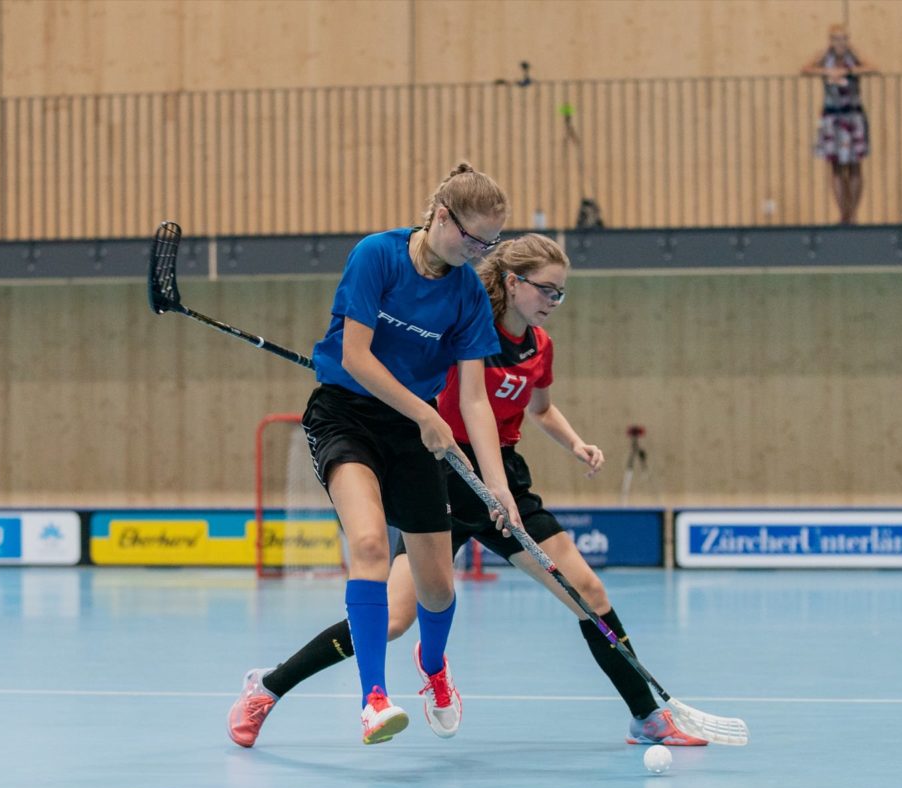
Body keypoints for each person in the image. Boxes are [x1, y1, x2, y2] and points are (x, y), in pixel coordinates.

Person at [228, 234, 709, 749]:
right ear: (512, 282)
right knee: (391, 620)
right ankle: (270, 686)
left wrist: (575, 444)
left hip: (504, 483)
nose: (553, 302)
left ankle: (646, 717)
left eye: (560, 294)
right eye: (546, 290)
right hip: (442, 474)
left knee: (588, 593)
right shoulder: (459, 330)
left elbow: (539, 408)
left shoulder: (540, 347)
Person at [261, 163, 521, 746]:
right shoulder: (376, 256)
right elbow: (355, 356)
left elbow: (476, 400)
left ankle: (433, 669)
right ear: (439, 214)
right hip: (346, 415)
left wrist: (498, 484)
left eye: (490, 243)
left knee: (436, 588)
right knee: (372, 543)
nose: (478, 251)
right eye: (471, 237)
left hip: (411, 433)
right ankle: (373, 700)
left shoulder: (466, 294)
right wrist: (427, 412)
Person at [802, 25, 878, 225]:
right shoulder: (824, 56)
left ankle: (852, 212)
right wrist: (828, 72)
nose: (840, 43)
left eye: (844, 39)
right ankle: (843, 213)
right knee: (836, 166)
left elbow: (873, 67)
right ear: (830, 40)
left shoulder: (854, 56)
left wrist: (849, 70)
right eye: (836, 39)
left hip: (853, 115)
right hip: (832, 117)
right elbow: (805, 69)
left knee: (855, 165)